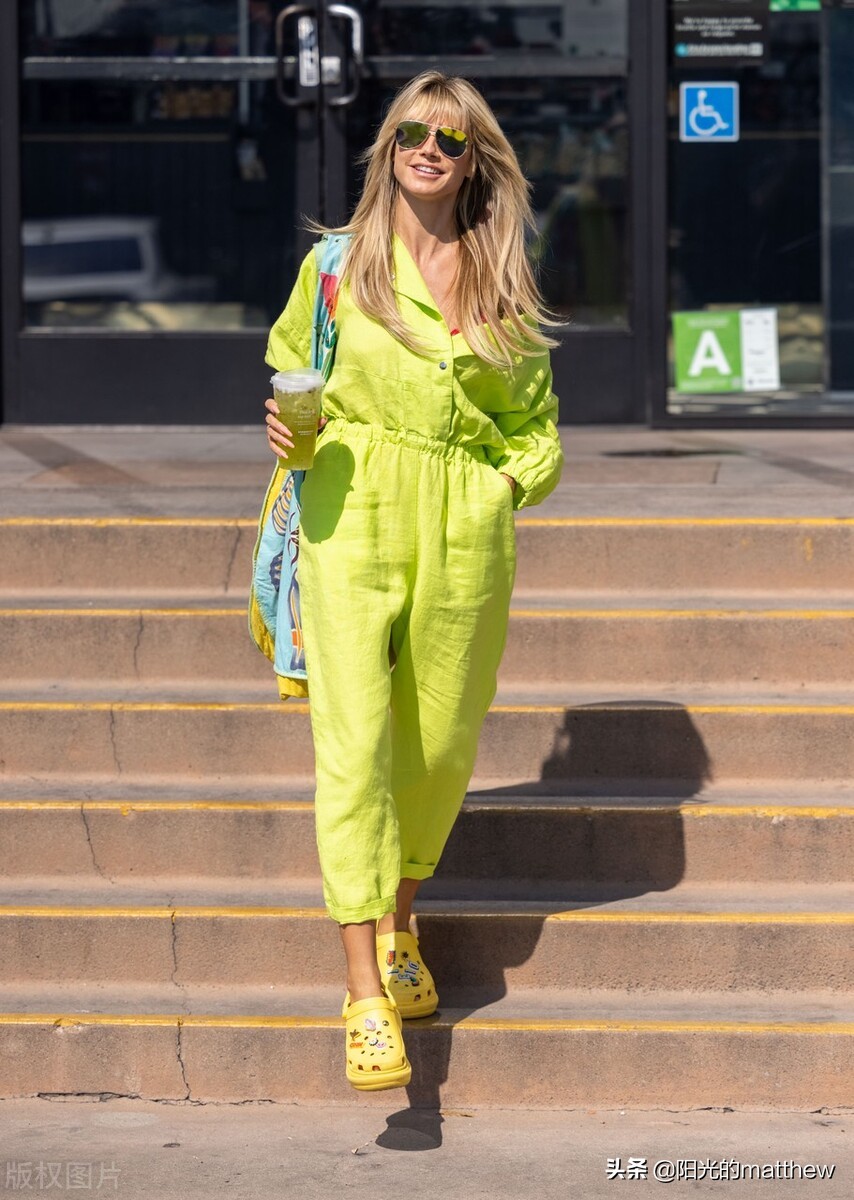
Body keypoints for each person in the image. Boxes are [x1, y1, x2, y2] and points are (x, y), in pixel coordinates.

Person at [263, 70, 564, 1092]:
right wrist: (287, 430)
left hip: (460, 529)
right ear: (385, 145)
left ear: (475, 160)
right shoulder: (337, 267)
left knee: (434, 747)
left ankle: (401, 918)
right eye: (410, 132)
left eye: (449, 138)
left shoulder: (498, 284)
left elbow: (538, 434)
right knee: (351, 748)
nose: (427, 149)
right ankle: (360, 992)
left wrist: (495, 489)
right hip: (347, 502)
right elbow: (286, 372)